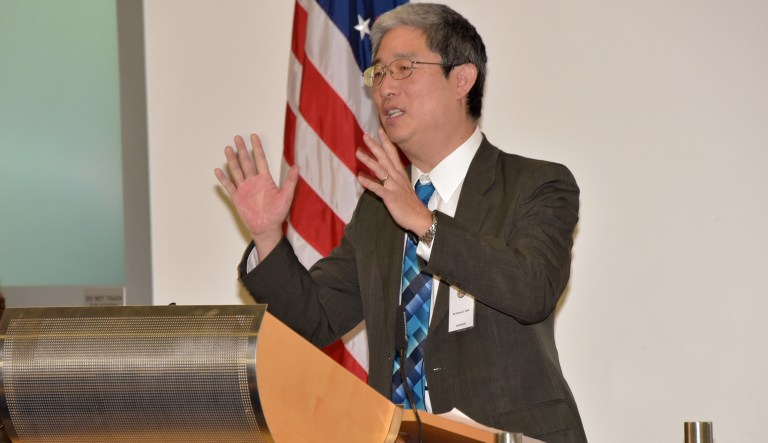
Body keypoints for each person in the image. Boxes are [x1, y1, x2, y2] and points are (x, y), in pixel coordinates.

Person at [215, 3, 586, 442]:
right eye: (378, 73)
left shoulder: (535, 184)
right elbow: (314, 319)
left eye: (404, 68)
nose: (385, 87)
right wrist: (267, 236)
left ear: (462, 79)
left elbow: (533, 289)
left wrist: (426, 224)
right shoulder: (379, 209)